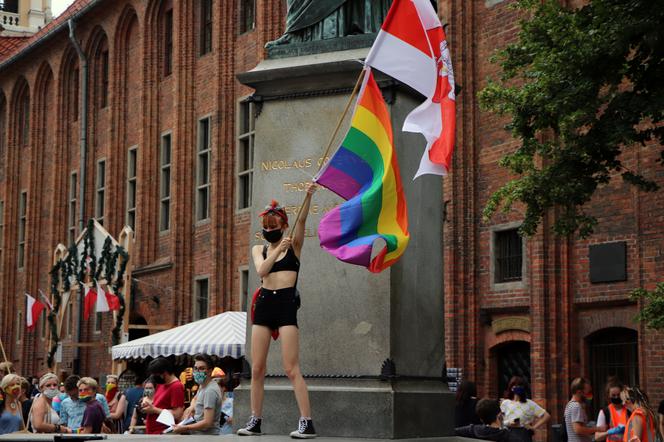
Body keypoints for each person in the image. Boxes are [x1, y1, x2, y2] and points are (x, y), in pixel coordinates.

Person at [238, 184, 318, 438]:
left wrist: (308, 195)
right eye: (267, 227)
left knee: (290, 367)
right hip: (264, 303)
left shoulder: (293, 244)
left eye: (274, 227)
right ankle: (255, 420)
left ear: (283, 225)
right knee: (257, 368)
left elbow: (302, 220)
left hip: (285, 304)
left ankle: (307, 421)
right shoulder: (258, 249)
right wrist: (276, 251)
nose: (270, 231)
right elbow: (261, 271)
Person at [174, 354, 222, 435]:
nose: (197, 372)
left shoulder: (210, 391)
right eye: (195, 368)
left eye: (202, 369)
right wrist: (191, 407)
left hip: (207, 437)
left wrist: (186, 427)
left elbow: (207, 422)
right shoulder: (203, 385)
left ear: (210, 371)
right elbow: (195, 399)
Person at [500, 376, 550, 442]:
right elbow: (500, 420)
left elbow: (546, 416)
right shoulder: (505, 403)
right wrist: (507, 423)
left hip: (523, 434)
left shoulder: (529, 403)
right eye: (514, 385)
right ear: (511, 387)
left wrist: (533, 427)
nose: (517, 387)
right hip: (507, 433)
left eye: (519, 385)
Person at [143, 357, 185, 434]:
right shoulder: (161, 384)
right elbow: (159, 404)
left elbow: (177, 414)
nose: (154, 377)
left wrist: (154, 410)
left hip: (164, 433)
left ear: (164, 373)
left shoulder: (176, 386)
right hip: (153, 432)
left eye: (156, 375)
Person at [565, 378, 601, 442]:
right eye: (587, 392)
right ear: (579, 392)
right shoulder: (576, 406)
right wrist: (598, 429)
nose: (590, 396)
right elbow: (578, 429)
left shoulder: (570, 404)